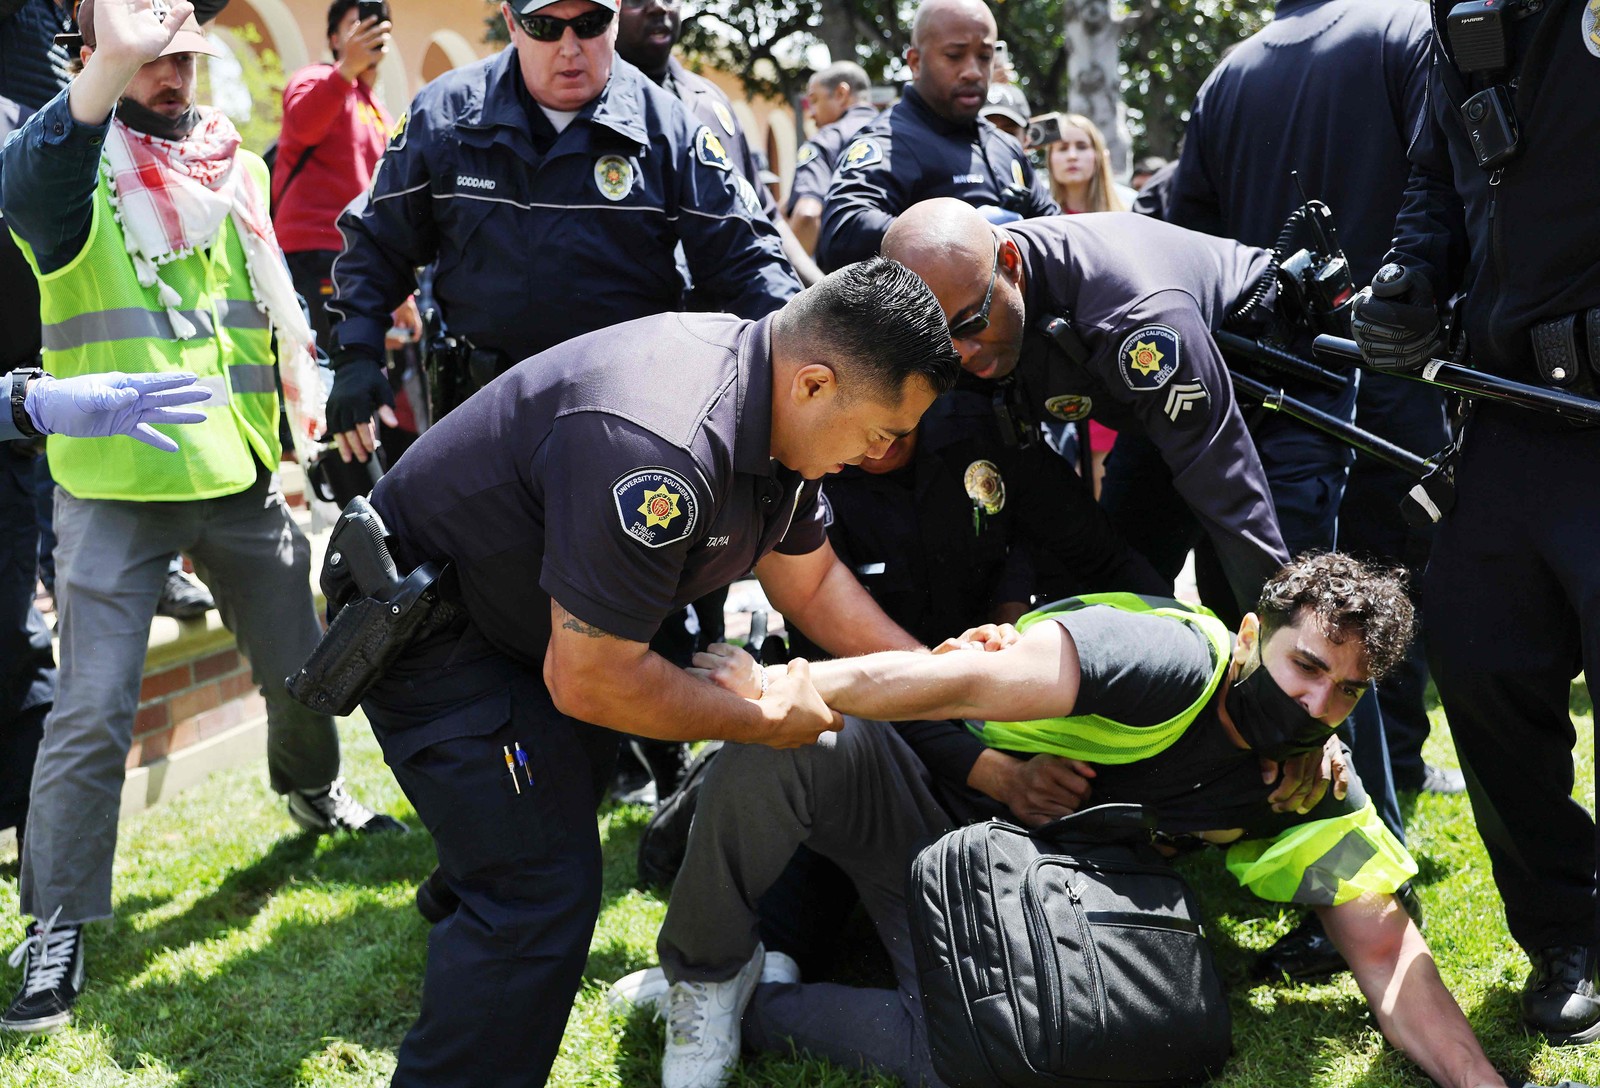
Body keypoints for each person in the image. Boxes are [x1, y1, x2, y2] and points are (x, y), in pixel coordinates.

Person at [345, 257, 960, 1086]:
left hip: (538, 628)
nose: (885, 452)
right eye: (883, 431)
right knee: (538, 897)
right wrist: (762, 720)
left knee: (554, 801)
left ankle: (477, 855)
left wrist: (943, 687)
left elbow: (811, 581)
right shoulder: (662, 441)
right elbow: (592, 681)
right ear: (816, 384)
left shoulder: (779, 413)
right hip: (441, 637)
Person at [644, 553, 1521, 1088]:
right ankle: (700, 975)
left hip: (1006, 902)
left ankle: (759, 1004)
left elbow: (1383, 952)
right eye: (1304, 666)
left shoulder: (1302, 779)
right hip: (920, 807)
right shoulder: (1166, 661)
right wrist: (791, 687)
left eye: (1345, 692)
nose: (1313, 700)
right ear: (1252, 635)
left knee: (989, 1058)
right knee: (786, 739)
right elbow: (952, 683)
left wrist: (1480, 1084)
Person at [0, 0, 405, 1036]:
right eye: (147, 56)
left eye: (183, 54)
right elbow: (29, 178)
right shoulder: (69, 165)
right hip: (110, 487)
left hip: (235, 474)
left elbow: (257, 315)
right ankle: (55, 920)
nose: (170, 73)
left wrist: (292, 418)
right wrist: (105, 74)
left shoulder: (237, 165)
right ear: (95, 58)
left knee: (303, 668)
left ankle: (308, 789)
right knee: (89, 710)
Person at [1162, 0, 1450, 980]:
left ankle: (1380, 830)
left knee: (1331, 637)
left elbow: (1185, 232)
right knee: (1369, 629)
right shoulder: (1410, 29)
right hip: (1390, 383)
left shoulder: (1228, 71)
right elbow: (1448, 182)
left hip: (1262, 402)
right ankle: (1362, 870)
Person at [1348, 0, 1600, 1047]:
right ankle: (1566, 935)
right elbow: (1434, 178)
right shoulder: (1458, 15)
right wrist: (1413, 271)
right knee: (1483, 667)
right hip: (1501, 412)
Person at [323, 0, 801, 463]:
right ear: (512, 22)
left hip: (628, 419)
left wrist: (801, 363)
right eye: (547, 27)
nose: (570, 47)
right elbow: (379, 240)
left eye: (590, 23)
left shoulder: (668, 125)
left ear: (614, 15)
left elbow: (748, 260)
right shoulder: (445, 115)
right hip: (482, 415)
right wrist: (356, 355)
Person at [882, 198, 1287, 616]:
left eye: (969, 326)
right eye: (940, 339)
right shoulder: (969, 296)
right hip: (1148, 415)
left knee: (1273, 601)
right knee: (1123, 602)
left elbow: (1224, 481)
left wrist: (1281, 640)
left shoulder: (1135, 315)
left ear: (1010, 262)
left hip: (1274, 390)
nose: (961, 353)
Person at [815, 0, 1056, 272]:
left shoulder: (1005, 146)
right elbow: (843, 232)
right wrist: (962, 233)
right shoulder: (889, 142)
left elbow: (1058, 234)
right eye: (955, 55)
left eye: (984, 56)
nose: (973, 71)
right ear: (915, 62)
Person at [614, 0, 822, 287]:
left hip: (727, 317)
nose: (659, 8)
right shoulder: (590, 105)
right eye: (637, 1)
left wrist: (819, 288)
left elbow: (763, 214)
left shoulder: (710, 100)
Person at [273, 0, 418, 351]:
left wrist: (401, 290)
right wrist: (345, 70)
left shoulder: (379, 110)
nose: (369, 31)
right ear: (335, 38)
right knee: (322, 373)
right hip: (314, 253)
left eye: (377, 24)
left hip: (361, 260)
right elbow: (303, 125)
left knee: (359, 373)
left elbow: (387, 198)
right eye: (357, 24)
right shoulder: (315, 78)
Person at [784, 60, 875, 255]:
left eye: (814, 100)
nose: (811, 114)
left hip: (847, 278)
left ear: (842, 94)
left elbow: (807, 215)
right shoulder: (899, 133)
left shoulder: (826, 141)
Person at [1043, 111, 1125, 213]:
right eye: (1063, 149)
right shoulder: (1032, 215)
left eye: (1082, 147)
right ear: (1050, 158)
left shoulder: (1128, 209)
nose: (1072, 156)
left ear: (1098, 156)